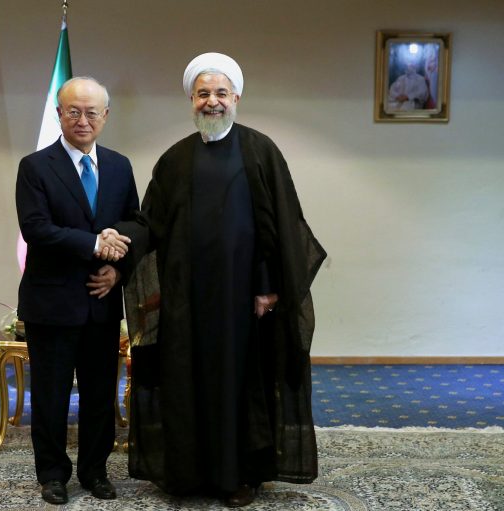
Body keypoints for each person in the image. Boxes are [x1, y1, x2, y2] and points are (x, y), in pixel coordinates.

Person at [118, 53, 326, 508]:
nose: (212, 102)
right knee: (187, 380)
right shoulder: (175, 160)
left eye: (221, 93)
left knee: (238, 384)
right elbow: (149, 222)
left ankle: (239, 476)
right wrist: (117, 245)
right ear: (191, 100)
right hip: (186, 299)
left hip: (242, 300)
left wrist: (270, 285)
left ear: (237, 98)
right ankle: (189, 473)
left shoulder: (260, 150)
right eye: (203, 94)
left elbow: (283, 225)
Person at [16, 76, 139, 505]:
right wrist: (94, 245)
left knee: (100, 394)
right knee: (50, 396)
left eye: (91, 112)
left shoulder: (120, 165)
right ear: (59, 114)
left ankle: (94, 471)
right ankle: (52, 475)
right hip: (51, 302)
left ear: (105, 117)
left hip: (102, 302)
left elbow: (135, 223)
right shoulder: (34, 167)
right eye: (73, 111)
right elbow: (36, 229)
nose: (82, 120)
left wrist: (117, 271)